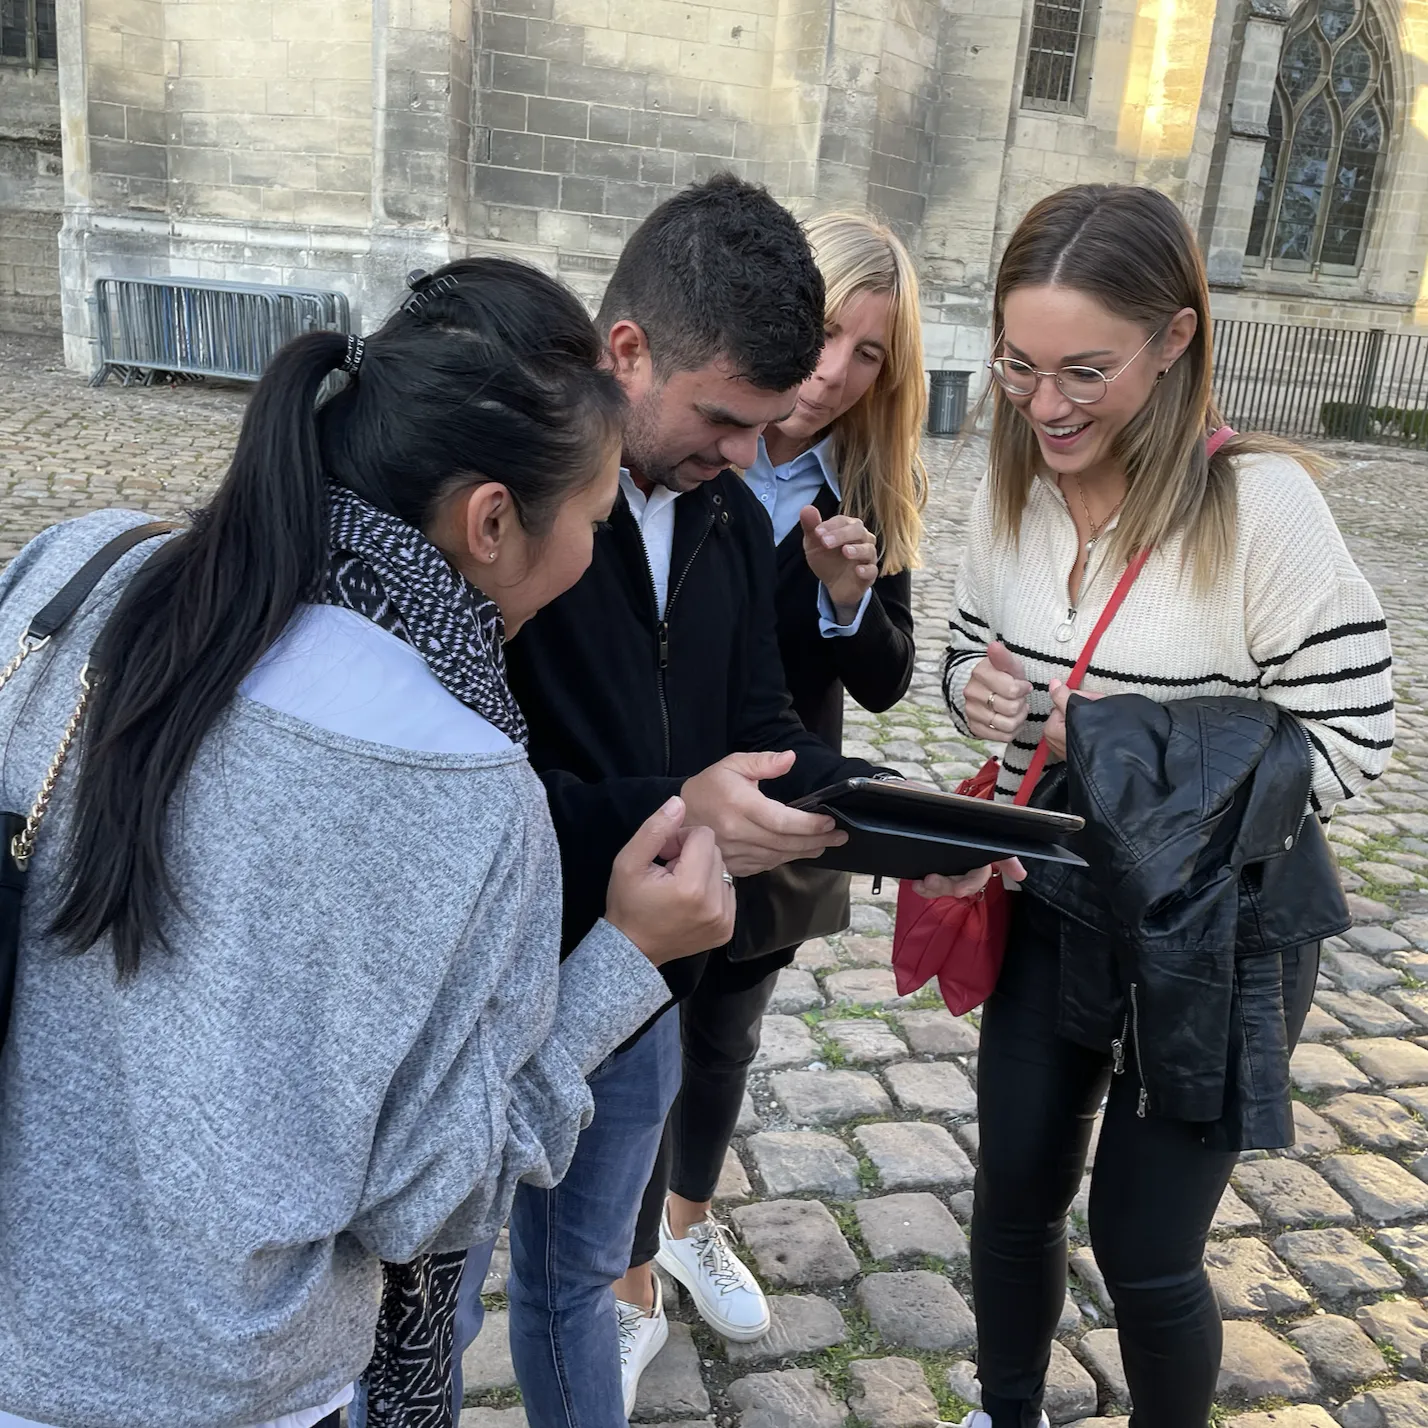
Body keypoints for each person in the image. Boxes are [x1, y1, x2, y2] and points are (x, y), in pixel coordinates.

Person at [0, 259, 733, 1428]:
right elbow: (424, 1200)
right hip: (237, 1387)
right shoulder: (469, 791)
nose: (594, 553)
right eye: (594, 522)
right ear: (491, 520)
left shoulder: (75, 567)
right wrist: (627, 964)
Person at [925, 184, 1395, 1428]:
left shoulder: (1261, 511)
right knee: (1012, 1200)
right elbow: (971, 657)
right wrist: (970, 688)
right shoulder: (1013, 487)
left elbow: (1358, 739)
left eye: (1086, 370)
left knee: (1144, 1253)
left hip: (1213, 945)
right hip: (1051, 905)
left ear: (1176, 340)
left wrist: (1121, 744)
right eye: (1021, 366)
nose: (1044, 405)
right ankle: (1006, 1409)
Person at [497, 174, 898, 1424]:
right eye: (727, 418)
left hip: (646, 988)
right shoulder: (510, 497)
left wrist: (915, 828)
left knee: (579, 1286)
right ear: (626, 351)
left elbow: (768, 726)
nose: (746, 455)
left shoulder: (722, 513)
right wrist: (681, 808)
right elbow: (468, 791)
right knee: (438, 1311)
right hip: (503, 981)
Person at [629, 209, 928, 1349]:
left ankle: (689, 1222)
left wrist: (844, 599)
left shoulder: (863, 480)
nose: (836, 374)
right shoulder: (672, 433)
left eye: (871, 355)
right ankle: (621, 1277)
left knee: (726, 1036)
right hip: (658, 788)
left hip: (782, 789)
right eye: (828, 339)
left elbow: (892, 676)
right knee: (638, 1029)